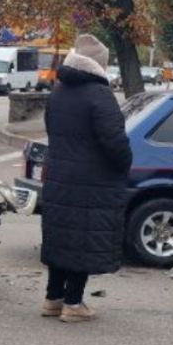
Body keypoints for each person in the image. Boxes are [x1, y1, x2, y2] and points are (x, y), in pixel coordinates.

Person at [39, 33, 132, 322]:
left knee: (61, 240)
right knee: (81, 241)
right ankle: (74, 304)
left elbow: (52, 130)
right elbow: (115, 142)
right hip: (91, 182)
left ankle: (52, 299)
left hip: (59, 177)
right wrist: (125, 163)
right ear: (98, 65)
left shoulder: (59, 91)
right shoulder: (100, 96)